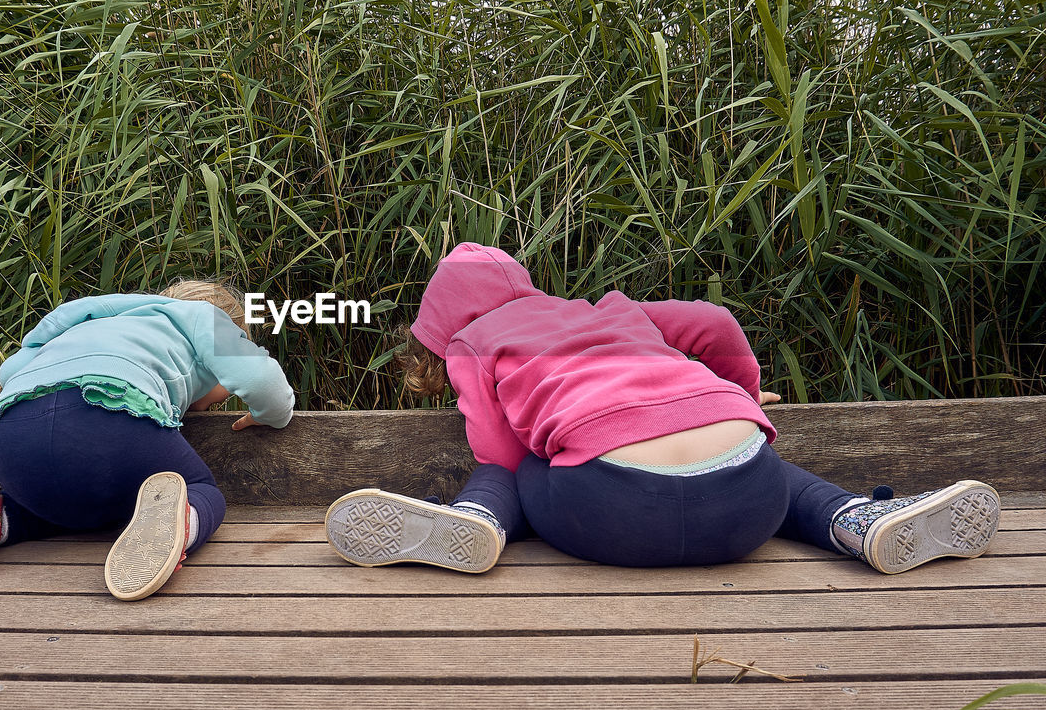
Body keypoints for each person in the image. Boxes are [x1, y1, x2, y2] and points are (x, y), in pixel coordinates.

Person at [325, 243, 999, 575]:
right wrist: (738, 388)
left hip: (616, 512)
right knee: (774, 468)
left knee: (525, 463)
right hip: (746, 500)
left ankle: (475, 520)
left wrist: (516, 461)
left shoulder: (476, 340)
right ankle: (857, 520)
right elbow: (712, 318)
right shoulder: (610, 307)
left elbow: (498, 450)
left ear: (442, 328)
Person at [0, 280, 293, 600]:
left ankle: (0, 517)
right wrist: (267, 415)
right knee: (198, 489)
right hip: (111, 413)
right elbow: (261, 381)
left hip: (10, 433)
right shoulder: (201, 317)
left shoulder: (80, 318)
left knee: (79, 510)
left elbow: (9, 372)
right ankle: (181, 522)